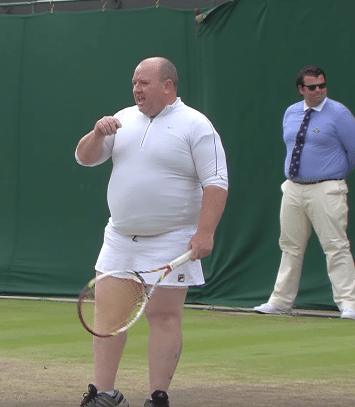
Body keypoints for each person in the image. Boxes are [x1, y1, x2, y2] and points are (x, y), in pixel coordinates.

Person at [75, 57, 228, 407]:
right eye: (134, 82)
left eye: (144, 83)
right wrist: (97, 132)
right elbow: (84, 158)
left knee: (164, 317)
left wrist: (205, 232)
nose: (136, 89)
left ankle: (158, 398)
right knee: (108, 317)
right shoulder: (122, 119)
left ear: (168, 86)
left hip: (173, 240)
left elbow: (216, 182)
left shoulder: (196, 125)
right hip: (119, 238)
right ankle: (103, 395)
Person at [253, 65, 355, 320]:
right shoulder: (291, 113)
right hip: (293, 189)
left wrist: (334, 175)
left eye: (322, 85)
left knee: (336, 246)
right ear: (301, 89)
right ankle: (280, 301)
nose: (319, 90)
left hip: (327, 188)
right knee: (290, 246)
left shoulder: (339, 113)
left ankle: (348, 303)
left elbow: (352, 150)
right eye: (312, 87)